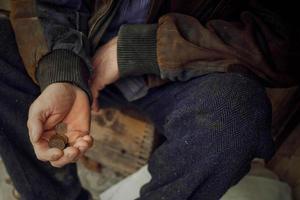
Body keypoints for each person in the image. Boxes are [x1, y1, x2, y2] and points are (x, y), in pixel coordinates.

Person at [0, 0, 298, 199]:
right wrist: (62, 71)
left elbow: (282, 41)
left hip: (188, 70)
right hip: (82, 50)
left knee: (235, 113)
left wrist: (138, 50)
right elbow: (47, 4)